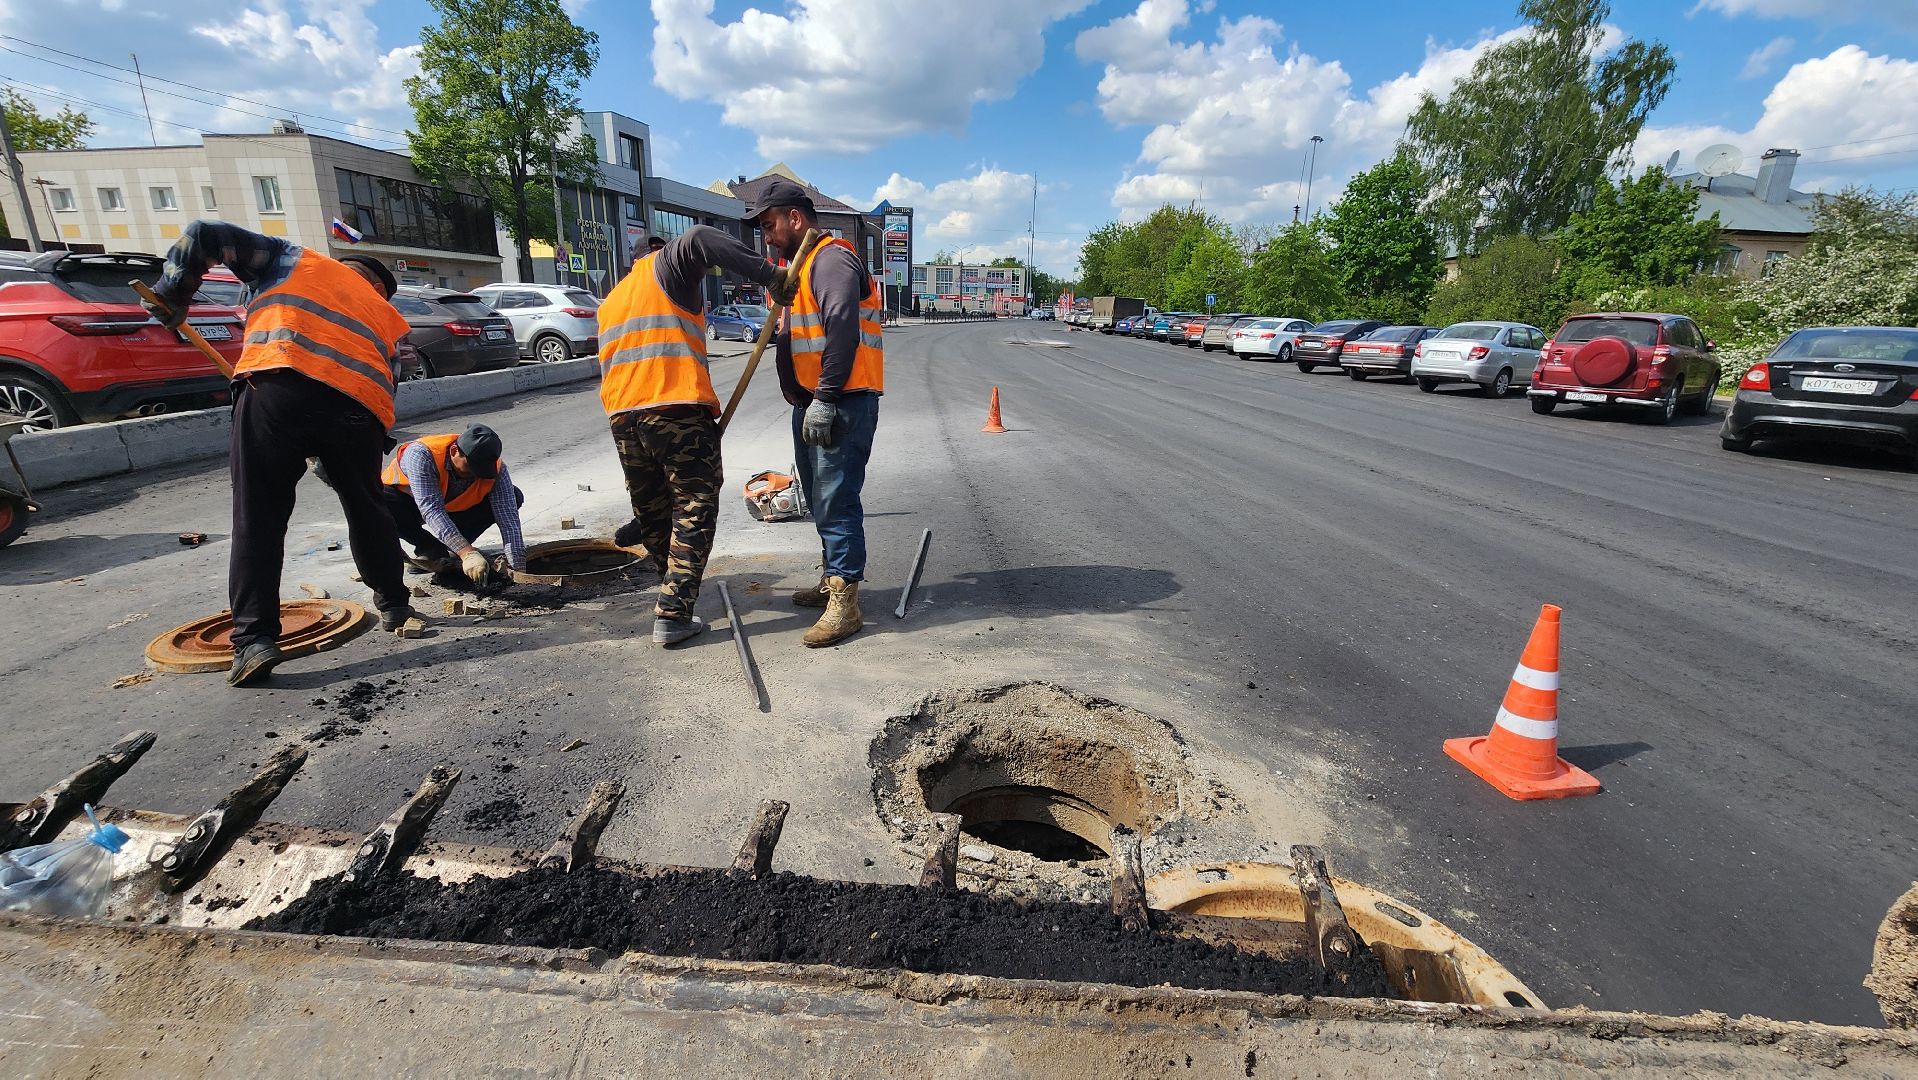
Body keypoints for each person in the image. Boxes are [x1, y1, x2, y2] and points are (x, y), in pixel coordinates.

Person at [146, 220, 416, 687]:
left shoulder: (294, 261)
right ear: (380, 288)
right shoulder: (387, 321)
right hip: (355, 415)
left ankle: (254, 640)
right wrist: (352, 456)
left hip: (276, 389)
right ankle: (394, 603)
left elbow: (207, 235)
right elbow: (382, 395)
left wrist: (174, 293)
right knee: (368, 507)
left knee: (259, 516)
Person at [598, 227, 788, 646]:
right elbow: (702, 237)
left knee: (654, 510)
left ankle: (673, 591)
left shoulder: (611, 300)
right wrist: (771, 277)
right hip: (674, 405)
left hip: (622, 415)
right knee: (694, 503)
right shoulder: (664, 265)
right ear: (655, 251)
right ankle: (673, 613)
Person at [749, 178, 885, 648]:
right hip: (812, 400)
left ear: (795, 218)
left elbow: (842, 330)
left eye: (769, 225)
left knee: (836, 499)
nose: (766, 236)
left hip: (841, 401)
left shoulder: (831, 260)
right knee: (817, 495)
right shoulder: (795, 270)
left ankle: (845, 603)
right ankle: (833, 578)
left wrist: (824, 398)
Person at [381, 424, 526, 589]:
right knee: (379, 501)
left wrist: (519, 569)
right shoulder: (422, 454)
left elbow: (509, 521)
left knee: (514, 496)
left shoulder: (496, 469)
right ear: (454, 451)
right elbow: (431, 509)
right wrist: (467, 553)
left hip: (457, 508)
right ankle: (430, 548)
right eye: (470, 468)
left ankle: (451, 548)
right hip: (410, 504)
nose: (474, 475)